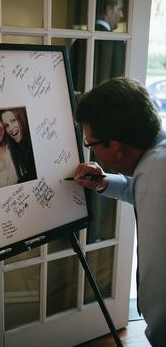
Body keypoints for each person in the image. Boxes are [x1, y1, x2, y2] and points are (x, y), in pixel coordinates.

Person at [74, 76, 166, 347]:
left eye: (90, 145)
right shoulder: (155, 155)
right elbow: (139, 189)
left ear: (116, 148)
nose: (90, 151)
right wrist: (104, 181)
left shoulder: (156, 180)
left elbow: (159, 278)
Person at [1, 107, 37, 183]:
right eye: (6, 125)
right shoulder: (17, 150)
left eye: (13, 120)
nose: (10, 129)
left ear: (22, 118)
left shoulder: (35, 146)